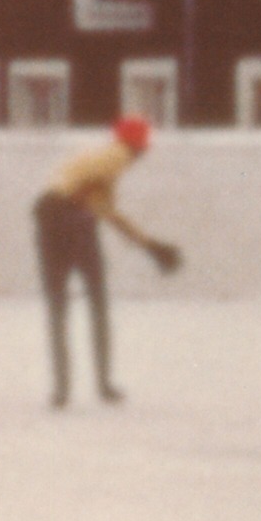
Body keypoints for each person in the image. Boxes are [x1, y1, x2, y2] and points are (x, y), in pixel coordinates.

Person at [31, 117, 179, 405]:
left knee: (57, 306)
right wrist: (149, 246)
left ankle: (61, 389)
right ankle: (103, 384)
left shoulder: (96, 156)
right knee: (97, 301)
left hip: (47, 216)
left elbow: (105, 209)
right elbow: (99, 205)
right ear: (136, 145)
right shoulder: (117, 158)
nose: (144, 153)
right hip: (74, 220)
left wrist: (147, 244)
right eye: (143, 146)